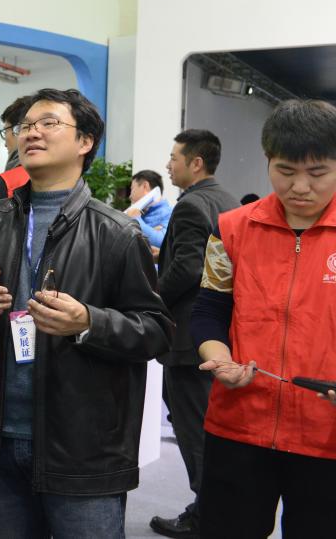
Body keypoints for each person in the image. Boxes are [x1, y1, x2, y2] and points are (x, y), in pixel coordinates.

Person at [0, 88, 171, 539]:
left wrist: (89, 322)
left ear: (85, 141)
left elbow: (156, 330)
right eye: (25, 125)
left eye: (48, 123)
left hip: (83, 447)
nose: (32, 132)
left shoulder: (117, 233)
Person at [191, 99, 336, 538]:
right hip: (240, 424)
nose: (300, 187)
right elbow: (209, 309)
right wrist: (218, 358)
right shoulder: (231, 228)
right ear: (268, 160)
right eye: (286, 171)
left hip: (327, 435)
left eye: (318, 173)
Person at [149, 130, 239, 538]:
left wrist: (149, 300)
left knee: (194, 430)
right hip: (218, 333)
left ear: (196, 162)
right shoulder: (227, 200)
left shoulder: (190, 205)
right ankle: (214, 510)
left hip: (187, 338)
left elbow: (187, 267)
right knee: (212, 428)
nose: (169, 165)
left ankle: (207, 516)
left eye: (174, 157)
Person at [0, 96, 31, 204]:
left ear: (19, 130)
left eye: (5, 131)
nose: (5, 144)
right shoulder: (62, 177)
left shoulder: (1, 187)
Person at [125, 169, 173, 250]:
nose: (130, 196)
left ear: (145, 186)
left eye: (132, 189)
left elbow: (162, 242)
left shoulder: (169, 213)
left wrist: (137, 220)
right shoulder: (142, 213)